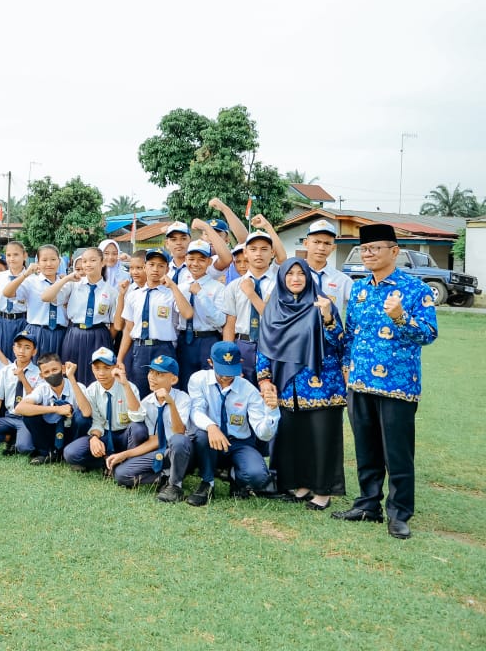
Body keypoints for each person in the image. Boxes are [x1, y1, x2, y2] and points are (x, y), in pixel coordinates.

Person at [333, 224, 437, 540]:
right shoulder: (360, 289)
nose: (369, 254)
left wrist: (400, 317)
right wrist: (347, 366)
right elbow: (350, 334)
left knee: (398, 454)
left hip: (398, 385)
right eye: (365, 249)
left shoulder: (416, 289)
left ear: (394, 251)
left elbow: (428, 334)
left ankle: (399, 513)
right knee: (367, 450)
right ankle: (367, 504)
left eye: (375, 248)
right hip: (360, 383)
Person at [257, 258, 346, 511]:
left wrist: (328, 318)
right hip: (287, 386)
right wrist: (264, 379)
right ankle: (301, 485)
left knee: (321, 438)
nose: (295, 279)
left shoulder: (321, 303)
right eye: (290, 274)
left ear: (309, 277)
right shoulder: (273, 308)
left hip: (321, 385)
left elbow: (339, 343)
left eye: (301, 274)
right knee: (294, 438)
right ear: (282, 278)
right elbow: (264, 347)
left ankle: (322, 491)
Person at [185, 341, 280, 506]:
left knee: (258, 477)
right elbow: (196, 411)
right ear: (210, 363)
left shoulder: (249, 390)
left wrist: (272, 411)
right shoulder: (198, 379)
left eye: (231, 370)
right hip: (210, 440)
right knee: (201, 436)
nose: (226, 377)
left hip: (239, 443)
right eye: (221, 370)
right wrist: (211, 426)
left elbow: (263, 434)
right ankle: (207, 483)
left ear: (240, 364)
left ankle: (234, 475)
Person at [107, 355, 194, 502]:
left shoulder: (182, 398)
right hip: (160, 451)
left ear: (173, 380)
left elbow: (179, 432)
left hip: (180, 452)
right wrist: (125, 454)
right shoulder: (147, 402)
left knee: (178, 441)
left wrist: (171, 404)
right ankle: (163, 478)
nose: (152, 377)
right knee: (121, 474)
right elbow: (155, 439)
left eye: (159, 374)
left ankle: (175, 486)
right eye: (151, 372)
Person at [116, 249, 192, 397]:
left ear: (167, 269)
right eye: (151, 264)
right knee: (140, 390)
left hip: (163, 348)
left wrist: (173, 286)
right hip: (140, 348)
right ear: (145, 267)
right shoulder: (134, 295)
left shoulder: (170, 294)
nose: (156, 269)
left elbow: (188, 313)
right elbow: (128, 329)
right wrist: (120, 358)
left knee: (164, 392)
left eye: (161, 266)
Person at [63, 348, 146, 473]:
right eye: (97, 368)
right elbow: (96, 421)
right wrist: (94, 438)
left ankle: (127, 463)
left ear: (115, 367)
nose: (101, 373)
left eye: (107, 368)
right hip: (105, 435)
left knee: (138, 429)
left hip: (125, 435)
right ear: (92, 369)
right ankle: (107, 462)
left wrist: (125, 385)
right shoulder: (92, 390)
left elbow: (138, 417)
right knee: (71, 453)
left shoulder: (128, 386)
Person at [44, 247, 118, 378]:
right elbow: (47, 297)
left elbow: (114, 324)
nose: (88, 264)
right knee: (71, 374)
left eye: (92, 260)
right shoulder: (73, 285)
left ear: (102, 262)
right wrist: (66, 278)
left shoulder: (111, 292)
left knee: (96, 376)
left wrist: (104, 339)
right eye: (84, 261)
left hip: (99, 335)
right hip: (74, 334)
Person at [221, 229, 279, 380]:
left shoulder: (280, 284)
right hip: (243, 344)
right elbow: (230, 324)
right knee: (242, 393)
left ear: (272, 252)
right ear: (246, 253)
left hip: (272, 344)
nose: (258, 254)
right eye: (253, 249)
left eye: (264, 249)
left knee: (270, 393)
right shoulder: (234, 286)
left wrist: (251, 294)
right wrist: (229, 355)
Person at [14, 356, 91, 465]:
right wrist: (56, 409)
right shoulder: (42, 389)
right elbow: (19, 408)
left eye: (55, 370)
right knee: (29, 415)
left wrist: (71, 377)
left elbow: (87, 412)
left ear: (63, 369)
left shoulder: (78, 386)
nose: (52, 374)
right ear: (41, 376)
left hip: (71, 431)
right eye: (46, 372)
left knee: (82, 418)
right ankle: (45, 452)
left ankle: (72, 453)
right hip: (49, 431)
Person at [0, 330, 40, 454]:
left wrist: (22, 378)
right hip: (9, 417)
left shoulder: (38, 373)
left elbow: (36, 399)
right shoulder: (6, 371)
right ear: (13, 349)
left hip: (26, 418)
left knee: (25, 448)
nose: (22, 351)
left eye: (27, 347)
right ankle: (10, 438)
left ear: (34, 351)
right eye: (19, 346)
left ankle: (21, 439)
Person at [174, 240, 227, 387]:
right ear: (185, 260)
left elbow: (220, 320)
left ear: (209, 261)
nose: (195, 264)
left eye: (201, 260)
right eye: (191, 259)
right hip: (185, 340)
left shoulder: (218, 288)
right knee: (184, 382)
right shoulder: (180, 288)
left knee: (210, 383)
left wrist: (201, 294)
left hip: (208, 340)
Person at [1, 244, 67, 358]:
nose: (49, 264)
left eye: (53, 259)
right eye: (44, 260)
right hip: (37, 332)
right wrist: (25, 275)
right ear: (38, 262)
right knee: (35, 370)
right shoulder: (31, 282)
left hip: (60, 333)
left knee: (58, 371)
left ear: (59, 261)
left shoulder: (66, 282)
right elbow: (7, 293)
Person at [0, 241, 29, 360]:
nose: (12, 259)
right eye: (8, 255)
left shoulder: (32, 278)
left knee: (21, 358)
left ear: (24, 256)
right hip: (2, 322)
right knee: (1, 357)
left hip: (22, 321)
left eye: (16, 255)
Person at [302, 219, 353, 316]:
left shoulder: (343, 281)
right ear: (306, 243)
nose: (321, 248)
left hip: (329, 330)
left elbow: (357, 310)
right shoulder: (293, 276)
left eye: (327, 243)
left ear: (333, 247)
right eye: (316, 242)